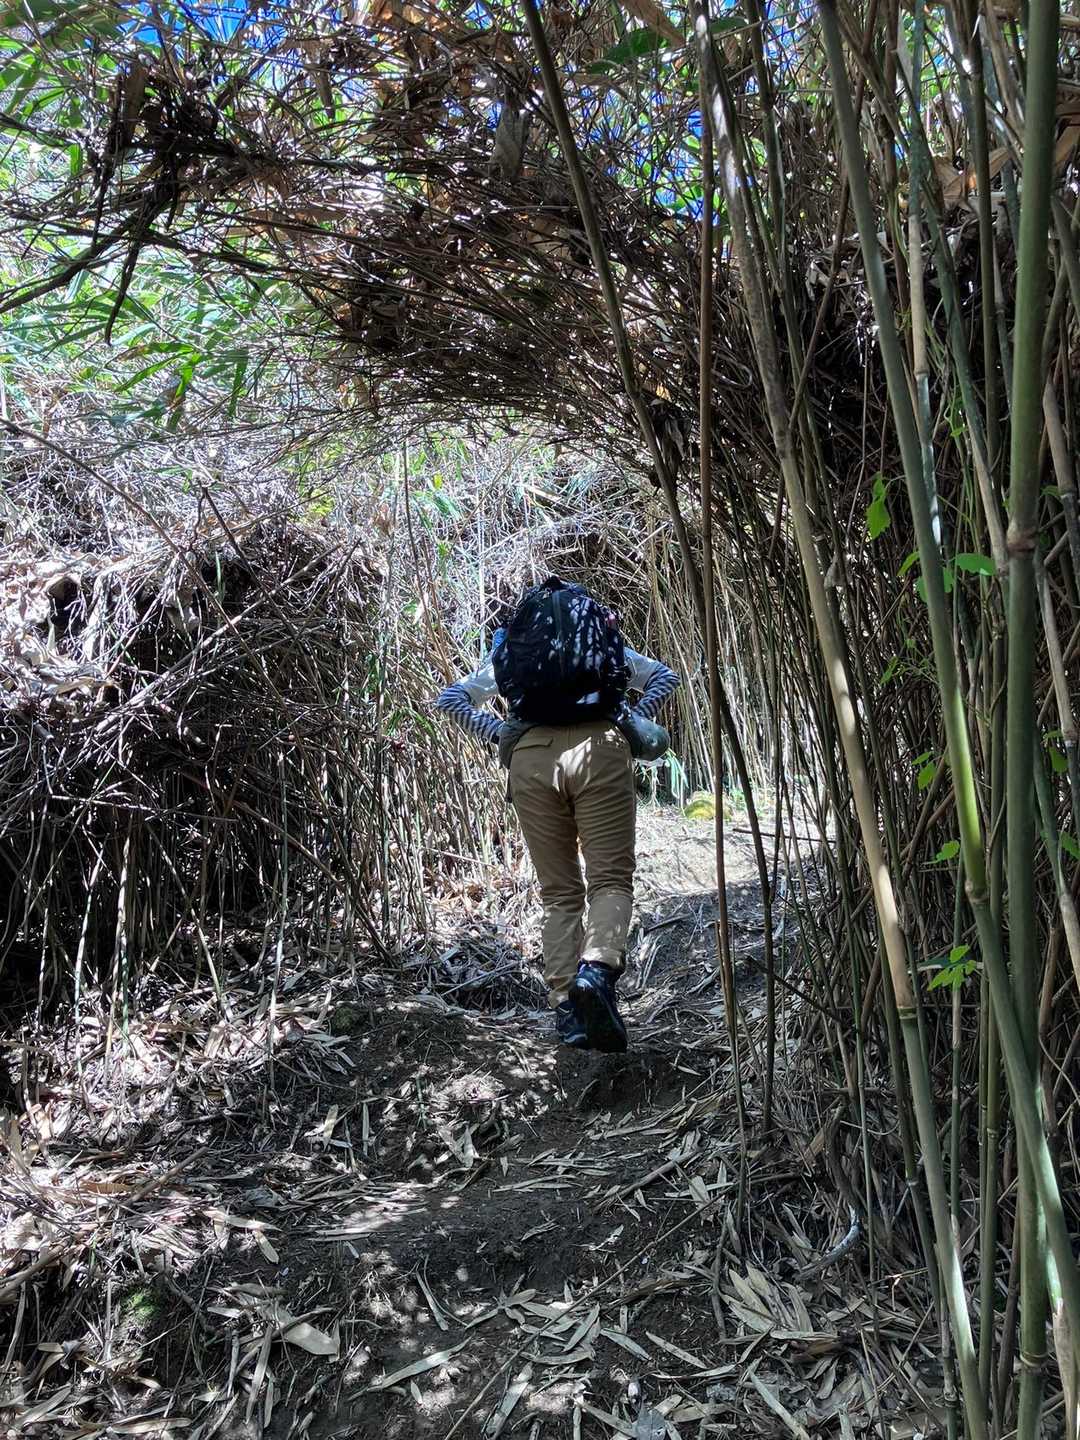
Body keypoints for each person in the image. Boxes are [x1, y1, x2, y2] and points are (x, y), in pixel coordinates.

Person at [435, 576, 680, 1052]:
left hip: (530, 760)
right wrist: (630, 718)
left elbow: (451, 699)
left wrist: (503, 734)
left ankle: (568, 1010)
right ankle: (596, 972)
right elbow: (665, 677)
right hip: (600, 749)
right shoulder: (598, 641)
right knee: (610, 880)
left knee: (559, 892)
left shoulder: (514, 650)